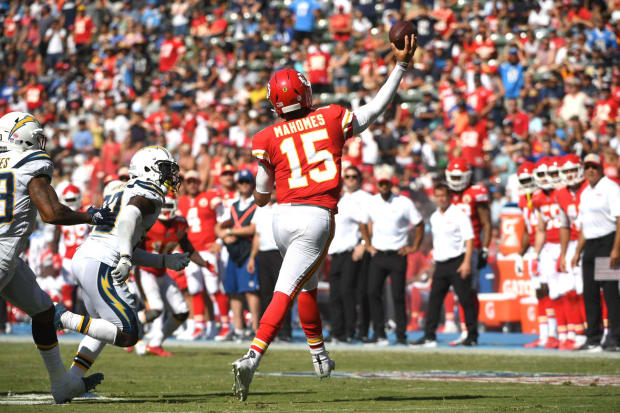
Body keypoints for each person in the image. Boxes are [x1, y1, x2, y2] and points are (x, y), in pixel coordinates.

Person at [231, 34, 418, 402]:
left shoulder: (267, 136)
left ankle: (319, 355)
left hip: (281, 218)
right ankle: (252, 357)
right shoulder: (330, 117)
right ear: (305, 94)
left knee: (306, 284)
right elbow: (376, 107)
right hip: (315, 215)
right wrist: (401, 66)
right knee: (286, 289)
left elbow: (261, 195)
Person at [0, 112, 113, 403]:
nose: (40, 141)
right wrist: (89, 215)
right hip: (2, 253)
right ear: (20, 136)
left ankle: (61, 384)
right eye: (36, 135)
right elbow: (51, 213)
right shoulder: (31, 163)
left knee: (43, 312)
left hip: (9, 259)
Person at [54, 146, 191, 379]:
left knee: (102, 327)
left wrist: (164, 260)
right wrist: (126, 257)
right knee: (129, 333)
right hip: (101, 262)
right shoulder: (149, 192)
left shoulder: (127, 189)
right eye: (165, 169)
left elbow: (124, 240)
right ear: (149, 169)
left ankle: (71, 381)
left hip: (89, 257)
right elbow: (128, 218)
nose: (171, 176)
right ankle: (60, 317)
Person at [134, 194, 215, 356]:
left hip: (162, 272)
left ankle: (155, 344)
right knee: (156, 309)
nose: (165, 211)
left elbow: (188, 248)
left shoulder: (179, 224)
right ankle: (127, 328)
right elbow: (133, 246)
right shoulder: (149, 222)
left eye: (169, 207)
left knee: (182, 311)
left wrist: (205, 263)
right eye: (163, 207)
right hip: (145, 271)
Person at [360, 165, 424, 345]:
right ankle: (379, 333)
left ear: (391, 183)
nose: (384, 186)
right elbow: (363, 223)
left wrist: (414, 247)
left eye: (387, 183)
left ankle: (401, 335)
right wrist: (368, 244)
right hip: (378, 254)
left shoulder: (403, 202)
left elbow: (419, 224)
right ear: (377, 184)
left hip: (397, 254)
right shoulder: (371, 202)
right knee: (373, 292)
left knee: (397, 295)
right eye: (381, 184)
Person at [411, 183, 476, 347]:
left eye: (444, 196)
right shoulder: (434, 217)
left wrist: (467, 262)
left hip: (457, 261)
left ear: (449, 197)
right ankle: (429, 335)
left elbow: (469, 239)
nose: (441, 199)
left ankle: (472, 335)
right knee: (434, 300)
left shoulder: (459, 215)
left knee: (465, 299)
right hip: (441, 264)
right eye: (438, 196)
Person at [571, 153, 620, 351]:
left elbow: (619, 220)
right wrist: (577, 251)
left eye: (594, 167)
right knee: (589, 293)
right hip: (590, 244)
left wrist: (616, 249)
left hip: (607, 242)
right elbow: (584, 225)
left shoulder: (611, 188)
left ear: (601, 168)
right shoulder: (585, 192)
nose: (590, 170)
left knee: (609, 293)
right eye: (587, 167)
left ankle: (615, 338)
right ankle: (593, 338)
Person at [444, 158, 491, 346]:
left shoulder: (476, 192)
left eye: (459, 177)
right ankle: (465, 330)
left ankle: (470, 331)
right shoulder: (446, 193)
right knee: (457, 292)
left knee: (468, 291)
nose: (455, 181)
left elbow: (486, 223)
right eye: (452, 177)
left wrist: (485, 249)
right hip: (451, 248)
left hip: (471, 248)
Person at [177, 170, 224, 340]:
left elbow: (223, 220)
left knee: (213, 288)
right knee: (195, 289)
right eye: (189, 182)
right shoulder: (181, 202)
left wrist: (219, 241)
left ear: (199, 182)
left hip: (208, 249)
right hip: (191, 252)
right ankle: (199, 326)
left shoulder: (209, 197)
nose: (192, 184)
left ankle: (225, 326)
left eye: (194, 181)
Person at [327, 165, 371, 343]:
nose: (350, 180)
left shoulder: (364, 199)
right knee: (335, 293)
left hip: (351, 251)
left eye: (354, 177)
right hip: (335, 252)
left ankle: (349, 330)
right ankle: (337, 330)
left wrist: (363, 244)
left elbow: (368, 223)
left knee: (348, 292)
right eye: (347, 177)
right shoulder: (341, 200)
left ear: (360, 179)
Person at [215, 169, 260, 340]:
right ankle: (239, 328)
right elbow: (219, 227)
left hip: (248, 250)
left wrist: (231, 231)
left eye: (247, 182)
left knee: (250, 290)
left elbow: (252, 228)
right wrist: (225, 237)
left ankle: (255, 328)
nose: (244, 185)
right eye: (241, 182)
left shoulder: (256, 204)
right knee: (233, 290)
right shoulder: (233, 205)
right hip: (233, 251)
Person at [515, 161, 556, 349]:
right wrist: (520, 253)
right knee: (539, 291)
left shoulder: (544, 195)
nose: (527, 184)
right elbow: (526, 228)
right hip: (533, 248)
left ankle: (556, 332)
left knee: (553, 290)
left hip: (547, 246)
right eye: (523, 180)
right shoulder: (523, 199)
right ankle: (544, 333)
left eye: (530, 179)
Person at [247, 192, 292, 342]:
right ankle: (268, 330)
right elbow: (257, 236)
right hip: (263, 254)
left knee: (282, 293)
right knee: (265, 293)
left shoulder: (285, 208)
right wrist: (252, 257)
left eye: (275, 188)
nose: (272, 192)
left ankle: (285, 331)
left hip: (280, 254)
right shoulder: (260, 209)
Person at [555, 154, 588, 350]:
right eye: (565, 171)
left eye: (572, 170)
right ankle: (579, 332)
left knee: (599, 291)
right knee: (570, 290)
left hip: (597, 242)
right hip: (573, 244)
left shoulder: (591, 189)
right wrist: (563, 253)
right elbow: (565, 225)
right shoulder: (561, 193)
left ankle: (606, 332)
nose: (569, 174)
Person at [51, 183, 90, 312]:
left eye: (73, 199)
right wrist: (55, 255)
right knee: (67, 291)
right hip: (68, 259)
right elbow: (56, 239)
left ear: (79, 198)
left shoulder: (87, 212)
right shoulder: (61, 215)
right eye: (68, 200)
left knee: (89, 291)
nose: (71, 203)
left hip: (85, 258)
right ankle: (67, 322)